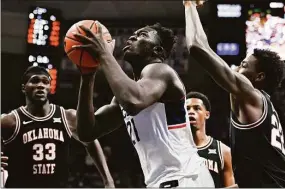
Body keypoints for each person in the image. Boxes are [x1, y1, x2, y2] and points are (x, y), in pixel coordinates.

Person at [71, 22, 214, 187]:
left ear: (157, 51)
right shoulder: (127, 94)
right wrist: (87, 77)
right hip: (164, 180)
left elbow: (134, 101)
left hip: (185, 178)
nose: (132, 37)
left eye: (143, 35)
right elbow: (87, 132)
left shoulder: (161, 71)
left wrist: (104, 55)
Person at [183, 1, 285, 187]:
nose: (237, 67)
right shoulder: (265, 107)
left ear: (259, 76)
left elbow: (196, 46)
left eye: (244, 65)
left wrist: (189, 5)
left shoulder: (250, 94)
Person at [1, 66, 114, 188]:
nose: (40, 85)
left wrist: (108, 180)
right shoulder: (10, 120)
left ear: (50, 88)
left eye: (45, 82)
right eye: (34, 81)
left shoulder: (67, 116)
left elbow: (91, 141)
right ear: (24, 88)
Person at [186, 92, 236, 187]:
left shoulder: (223, 151)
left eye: (197, 108)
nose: (191, 111)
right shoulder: (175, 149)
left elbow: (230, 186)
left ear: (207, 114)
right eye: (187, 109)